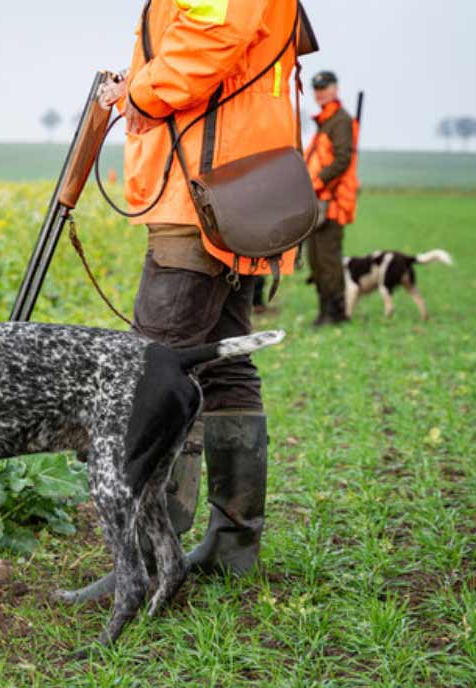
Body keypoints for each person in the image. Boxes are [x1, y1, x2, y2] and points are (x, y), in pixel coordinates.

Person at [70, 0, 303, 602]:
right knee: (227, 371)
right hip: (229, 190)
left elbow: (210, 35)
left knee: (153, 370)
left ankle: (149, 559)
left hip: (202, 192)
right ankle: (232, 547)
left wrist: (137, 94)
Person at [304, 70, 358, 325]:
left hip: (332, 203)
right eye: (317, 89)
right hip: (318, 200)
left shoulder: (340, 120)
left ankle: (336, 314)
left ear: (335, 89)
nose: (320, 92)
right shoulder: (326, 121)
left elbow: (343, 159)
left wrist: (317, 181)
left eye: (325, 87)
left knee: (328, 261)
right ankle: (324, 311)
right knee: (316, 259)